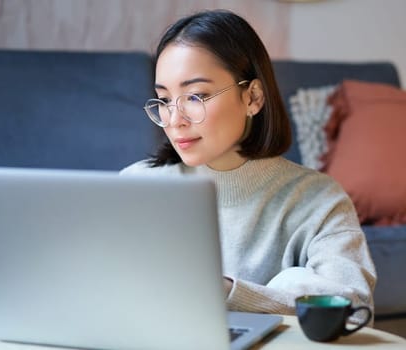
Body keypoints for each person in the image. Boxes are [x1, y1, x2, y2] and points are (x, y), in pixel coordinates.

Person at [121, 9, 376, 317]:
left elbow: (356, 309)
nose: (174, 120)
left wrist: (229, 292)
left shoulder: (317, 200)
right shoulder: (134, 186)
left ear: (253, 97)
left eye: (196, 96)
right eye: (163, 100)